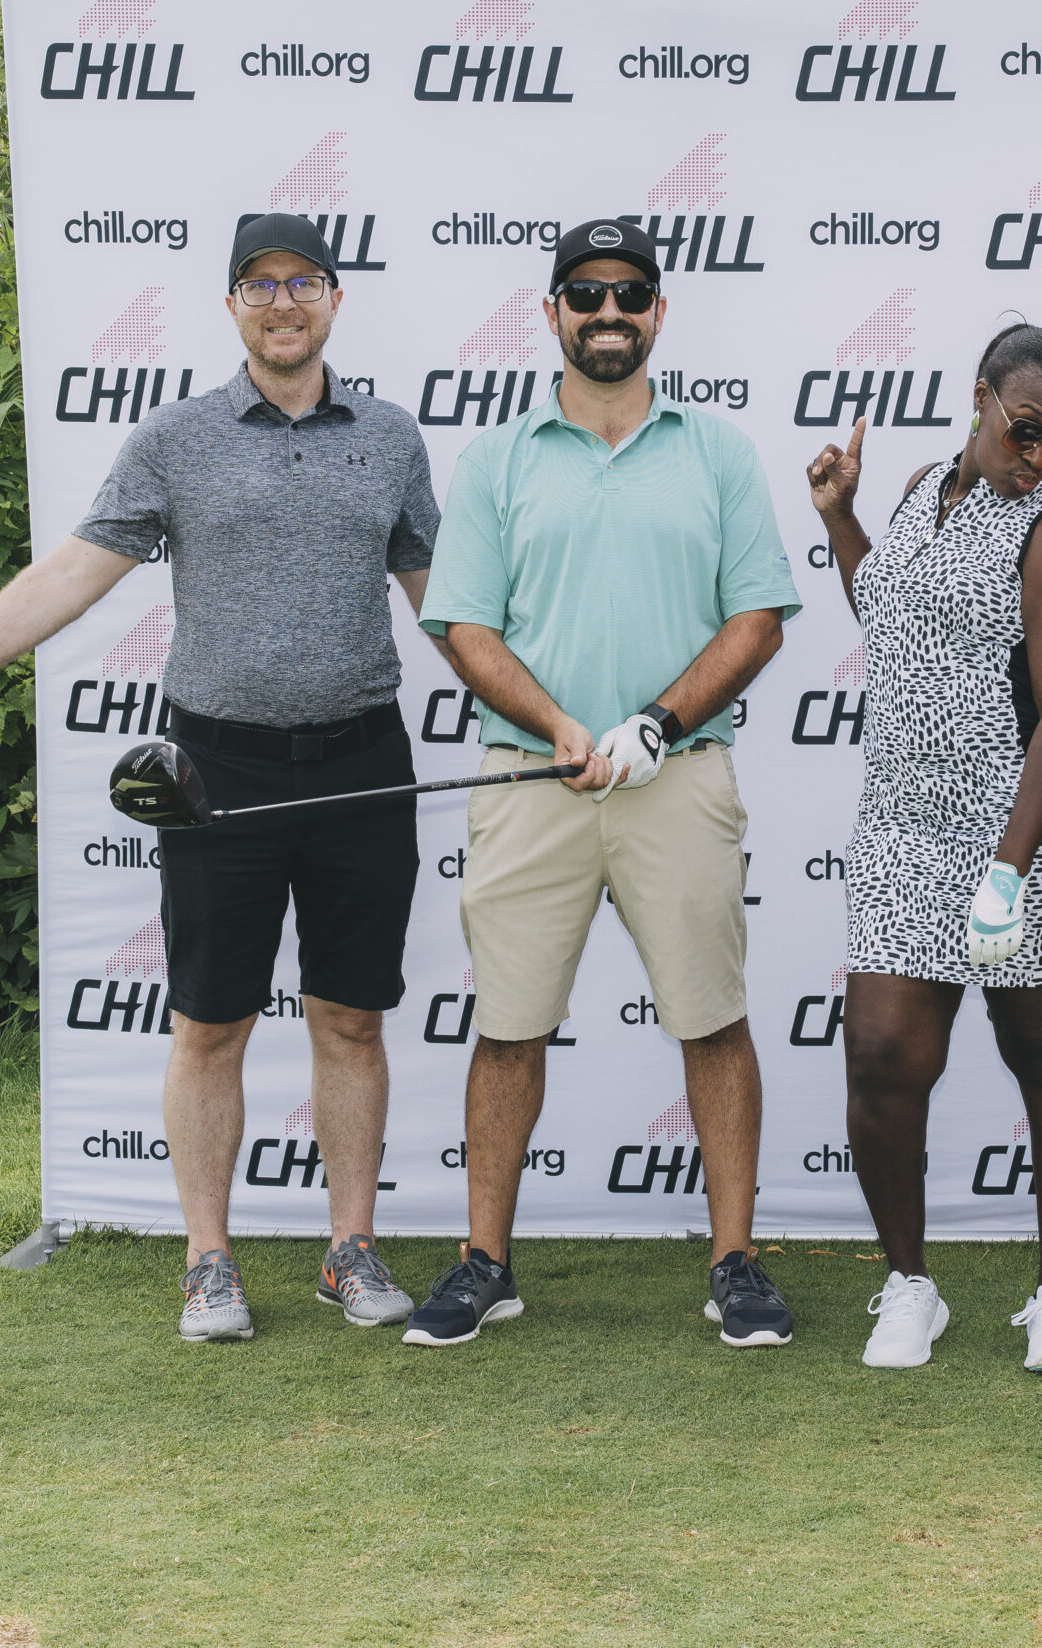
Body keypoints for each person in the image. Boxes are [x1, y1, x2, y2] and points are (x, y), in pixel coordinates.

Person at [0, 212, 446, 1345]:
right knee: (209, 1021)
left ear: (334, 297)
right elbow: (74, 571)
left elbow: (445, 600)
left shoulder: (389, 437)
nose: (282, 302)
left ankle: (349, 1249)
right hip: (217, 769)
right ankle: (208, 1262)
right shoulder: (176, 437)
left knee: (349, 1017)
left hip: (361, 762)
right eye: (258, 284)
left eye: (302, 281)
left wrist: (546, 713)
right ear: (232, 304)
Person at [408, 219, 802, 1349]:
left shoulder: (716, 450)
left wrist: (655, 722)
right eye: (585, 294)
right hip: (533, 777)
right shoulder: (499, 457)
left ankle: (735, 1258)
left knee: (712, 1018)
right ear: (553, 315)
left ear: (660, 311)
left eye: (630, 292)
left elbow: (758, 616)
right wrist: (564, 725)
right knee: (509, 1024)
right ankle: (487, 1258)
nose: (608, 312)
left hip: (677, 775)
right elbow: (466, 629)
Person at [805, 322, 1042, 1373]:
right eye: (1028, 431)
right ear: (981, 397)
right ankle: (909, 1285)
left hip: (1023, 825)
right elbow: (892, 613)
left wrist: (1007, 868)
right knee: (883, 1057)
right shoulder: (913, 489)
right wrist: (841, 517)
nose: (1040, 458)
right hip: (903, 819)